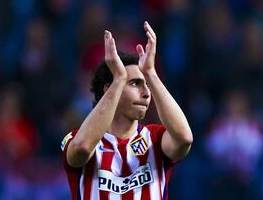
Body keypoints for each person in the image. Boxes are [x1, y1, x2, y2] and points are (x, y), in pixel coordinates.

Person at [61, 21, 193, 199]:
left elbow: (184, 139)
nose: (146, 93)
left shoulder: (155, 139)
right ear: (109, 89)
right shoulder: (76, 138)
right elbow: (83, 148)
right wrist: (119, 79)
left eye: (146, 85)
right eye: (135, 83)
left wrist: (151, 73)